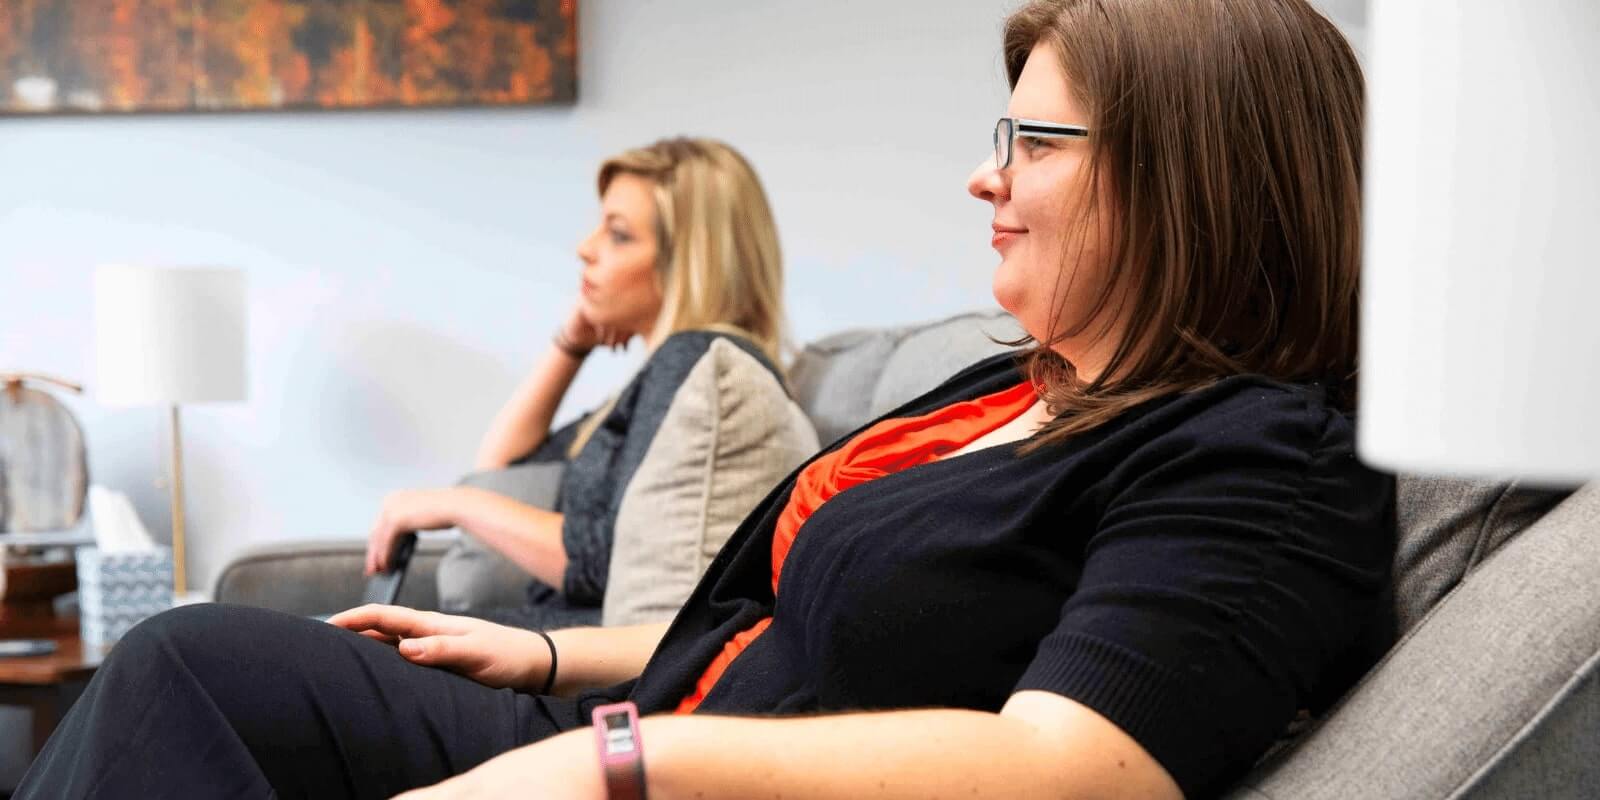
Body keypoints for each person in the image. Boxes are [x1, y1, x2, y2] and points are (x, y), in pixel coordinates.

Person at [17, 1, 1391, 797]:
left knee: (185, 676)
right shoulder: (1013, 387)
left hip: (673, 771)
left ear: (1192, 181)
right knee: (194, 651)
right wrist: (555, 659)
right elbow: (785, 616)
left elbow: (1073, 771)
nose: (985, 180)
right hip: (635, 715)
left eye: (1032, 145)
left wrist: (621, 759)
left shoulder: (1257, 460)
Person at [362, 137, 815, 629]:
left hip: (557, 656)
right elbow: (504, 473)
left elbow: (604, 563)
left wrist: (456, 503)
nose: (585, 248)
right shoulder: (673, 374)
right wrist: (570, 346)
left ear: (685, 263)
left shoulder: (694, 360)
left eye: (618, 235)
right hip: (538, 637)